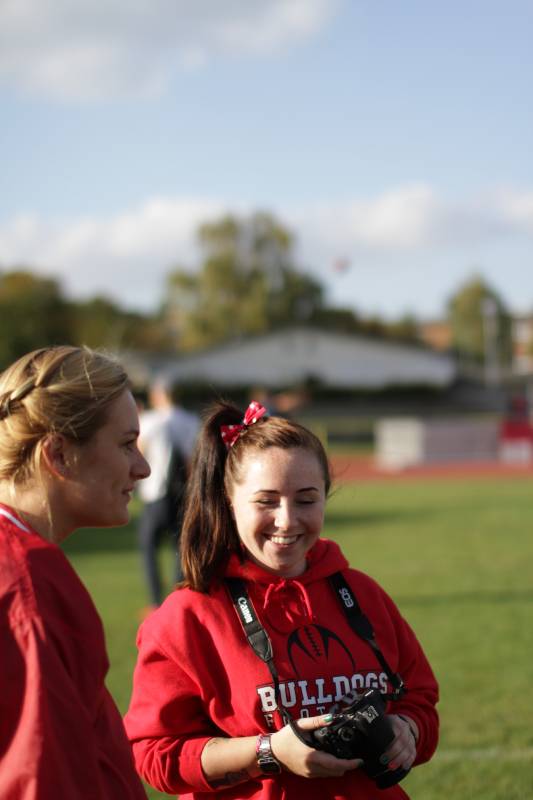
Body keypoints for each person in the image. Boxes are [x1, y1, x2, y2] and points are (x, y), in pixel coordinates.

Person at [125, 400, 439, 800]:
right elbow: (155, 755)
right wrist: (268, 752)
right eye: (266, 501)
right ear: (228, 501)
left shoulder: (364, 594)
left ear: (326, 497)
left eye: (306, 500)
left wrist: (407, 730)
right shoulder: (189, 615)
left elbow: (421, 701)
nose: (287, 520)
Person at [0, 345, 151, 799]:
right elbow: (40, 778)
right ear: (60, 455)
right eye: (126, 444)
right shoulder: (28, 583)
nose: (142, 468)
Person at [137, 377, 199, 607]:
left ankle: (155, 601)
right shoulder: (190, 420)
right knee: (180, 550)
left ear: (157, 395)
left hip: (155, 493)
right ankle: (176, 600)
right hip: (183, 494)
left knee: (148, 548)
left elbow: (139, 451)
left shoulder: (149, 421)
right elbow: (193, 459)